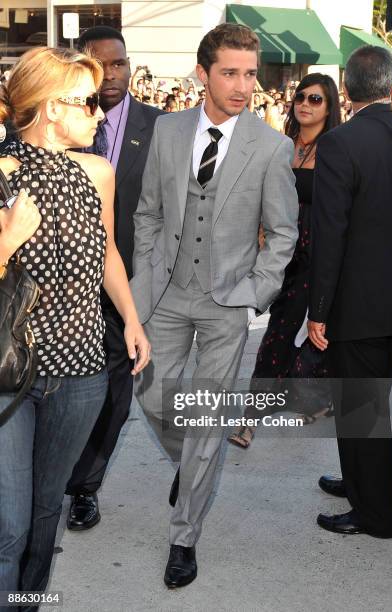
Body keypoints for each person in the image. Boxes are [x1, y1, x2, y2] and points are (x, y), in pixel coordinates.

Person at [130, 22, 298, 588]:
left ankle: (184, 537)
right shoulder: (169, 131)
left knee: (204, 419)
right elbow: (149, 211)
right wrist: (143, 279)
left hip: (228, 302)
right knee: (152, 398)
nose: (243, 85)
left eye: (250, 74)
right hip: (166, 295)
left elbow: (283, 234)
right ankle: (191, 467)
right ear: (202, 74)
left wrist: (256, 292)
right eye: (230, 72)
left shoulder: (272, 146)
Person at [0, 46, 150, 606]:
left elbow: (109, 251)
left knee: (45, 513)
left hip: (83, 369)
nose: (101, 112)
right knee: (9, 525)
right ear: (48, 108)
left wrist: (131, 319)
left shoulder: (99, 172)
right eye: (87, 102)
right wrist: (7, 239)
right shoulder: (0, 173)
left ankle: (27, 602)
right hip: (10, 373)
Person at [308, 45, 392, 538]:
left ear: (346, 90)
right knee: (364, 404)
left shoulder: (340, 144)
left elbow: (331, 233)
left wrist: (319, 309)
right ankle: (358, 482)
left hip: (361, 307)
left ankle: (375, 515)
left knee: (362, 410)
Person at [63, 26, 163, 532]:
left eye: (121, 63)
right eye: (102, 64)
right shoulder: (56, 124)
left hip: (129, 284)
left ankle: (85, 487)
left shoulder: (160, 126)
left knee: (113, 397)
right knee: (62, 391)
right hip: (62, 288)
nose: (114, 74)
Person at [228, 73, 341, 449]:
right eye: (301, 97)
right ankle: (273, 411)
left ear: (330, 107)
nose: (305, 104)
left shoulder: (334, 150)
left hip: (315, 257)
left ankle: (260, 417)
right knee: (277, 336)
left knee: (311, 338)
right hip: (279, 256)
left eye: (316, 99)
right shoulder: (281, 145)